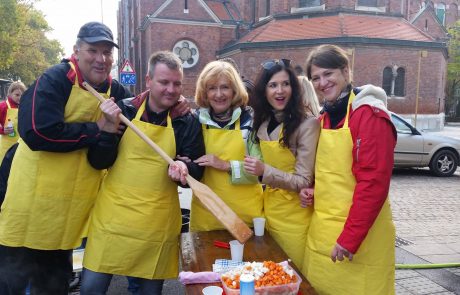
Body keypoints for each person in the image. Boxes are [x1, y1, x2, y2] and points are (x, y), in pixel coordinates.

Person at [0, 21, 131, 294]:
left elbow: (140, 112)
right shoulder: (54, 79)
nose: (101, 59)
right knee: (14, 283)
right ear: (77, 50)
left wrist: (174, 107)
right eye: (93, 50)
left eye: (107, 52)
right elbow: (37, 132)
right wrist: (97, 129)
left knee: (53, 286)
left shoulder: (116, 92)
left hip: (68, 215)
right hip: (31, 207)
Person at [80, 51, 205, 295]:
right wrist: (106, 129)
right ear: (148, 80)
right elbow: (98, 162)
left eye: (176, 83)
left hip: (155, 224)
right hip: (113, 219)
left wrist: (184, 169)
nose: (171, 89)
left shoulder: (185, 121)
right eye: (164, 82)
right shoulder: (123, 112)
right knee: (91, 289)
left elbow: (196, 172)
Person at [300, 44, 396, 295]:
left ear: (346, 71)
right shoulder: (326, 117)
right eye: (316, 78)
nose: (322, 83)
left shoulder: (369, 115)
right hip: (323, 237)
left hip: (359, 241)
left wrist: (350, 239)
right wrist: (312, 189)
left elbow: (373, 183)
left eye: (328, 74)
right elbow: (331, 173)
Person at [243, 59, 320, 270]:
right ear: (264, 91)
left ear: (293, 88)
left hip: (296, 216)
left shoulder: (307, 124)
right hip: (269, 212)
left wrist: (264, 171)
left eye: (285, 84)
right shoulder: (263, 123)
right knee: (271, 275)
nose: (280, 90)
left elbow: (304, 180)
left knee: (292, 276)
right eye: (273, 85)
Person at [189, 60, 263, 232]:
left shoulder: (251, 121)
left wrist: (225, 165)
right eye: (212, 88)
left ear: (234, 90)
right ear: (204, 93)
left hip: (245, 217)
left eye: (225, 87)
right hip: (206, 217)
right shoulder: (194, 121)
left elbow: (261, 172)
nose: (219, 94)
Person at [0, 81, 26, 158]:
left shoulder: (24, 106)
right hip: (6, 147)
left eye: (22, 95)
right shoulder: (3, 106)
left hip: (21, 146)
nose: (20, 97)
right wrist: (2, 130)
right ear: (10, 94)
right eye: (17, 95)